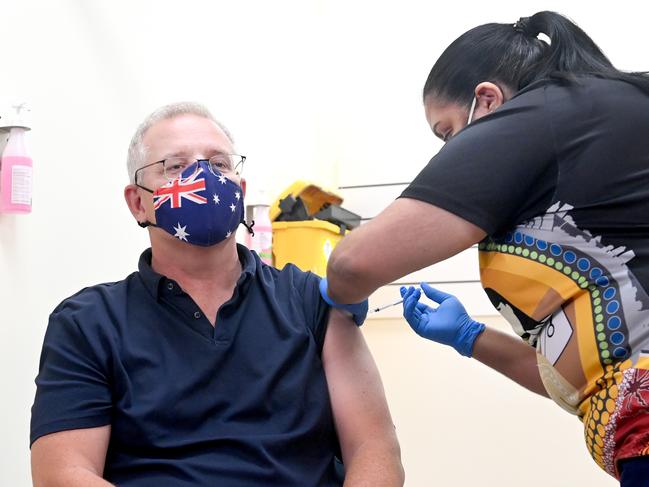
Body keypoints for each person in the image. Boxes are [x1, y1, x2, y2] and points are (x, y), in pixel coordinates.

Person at [321, 11, 649, 486]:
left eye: (447, 133)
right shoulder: (594, 124)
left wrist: (343, 296)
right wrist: (469, 335)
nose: (448, 153)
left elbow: (353, 262)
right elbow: (582, 378)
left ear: (488, 99)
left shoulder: (544, 112)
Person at [30, 102, 404, 486]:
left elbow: (374, 448)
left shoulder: (310, 300)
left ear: (239, 192)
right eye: (176, 166)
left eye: (220, 164)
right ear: (138, 202)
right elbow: (62, 475)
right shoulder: (88, 323)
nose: (203, 176)